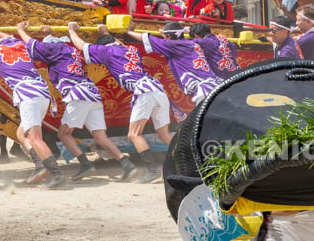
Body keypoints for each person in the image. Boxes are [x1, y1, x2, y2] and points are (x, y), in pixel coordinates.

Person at [17, 22, 137, 182]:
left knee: (64, 134)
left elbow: (31, 44)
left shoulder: (54, 48)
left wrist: (21, 30)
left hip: (78, 94)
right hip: (92, 93)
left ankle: (85, 164)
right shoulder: (72, 50)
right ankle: (126, 164)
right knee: (100, 136)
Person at [67, 21, 170, 182]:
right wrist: (106, 32)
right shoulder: (131, 50)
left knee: (134, 134)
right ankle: (185, 161)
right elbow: (117, 44)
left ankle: (152, 170)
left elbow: (82, 46)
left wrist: (71, 31)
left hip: (144, 92)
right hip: (158, 89)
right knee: (164, 135)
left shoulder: (106, 51)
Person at [0, 22, 62, 188]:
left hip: (28, 94)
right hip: (42, 93)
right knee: (21, 134)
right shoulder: (21, 46)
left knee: (35, 138)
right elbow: (10, 39)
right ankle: (39, 164)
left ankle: (56, 174)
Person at [126, 21, 219, 105]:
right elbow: (169, 42)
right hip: (214, 85)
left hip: (204, 90)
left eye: (166, 37)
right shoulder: (189, 43)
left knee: (205, 121)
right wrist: (165, 35)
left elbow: (146, 38)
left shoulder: (173, 45)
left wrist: (128, 31)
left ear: (169, 37)